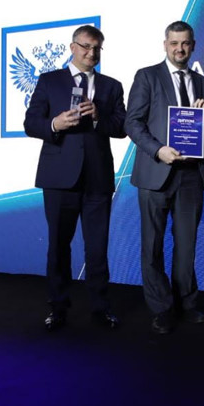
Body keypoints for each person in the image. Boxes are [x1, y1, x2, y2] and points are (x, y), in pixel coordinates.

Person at [24, 25, 126, 332]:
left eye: (96, 48)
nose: (91, 53)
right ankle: (57, 307)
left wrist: (98, 117)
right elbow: (31, 122)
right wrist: (54, 124)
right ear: (72, 47)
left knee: (97, 248)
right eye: (85, 46)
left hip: (97, 178)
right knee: (58, 246)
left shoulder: (111, 86)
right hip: (59, 178)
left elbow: (121, 127)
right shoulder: (49, 80)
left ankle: (101, 307)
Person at [125, 21, 204, 335]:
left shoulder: (203, 83)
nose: (180, 49)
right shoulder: (147, 76)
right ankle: (162, 307)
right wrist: (157, 150)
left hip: (191, 175)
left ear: (193, 45)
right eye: (174, 43)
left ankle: (186, 303)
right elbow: (132, 123)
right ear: (165, 44)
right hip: (156, 172)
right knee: (152, 245)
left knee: (187, 245)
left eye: (185, 43)